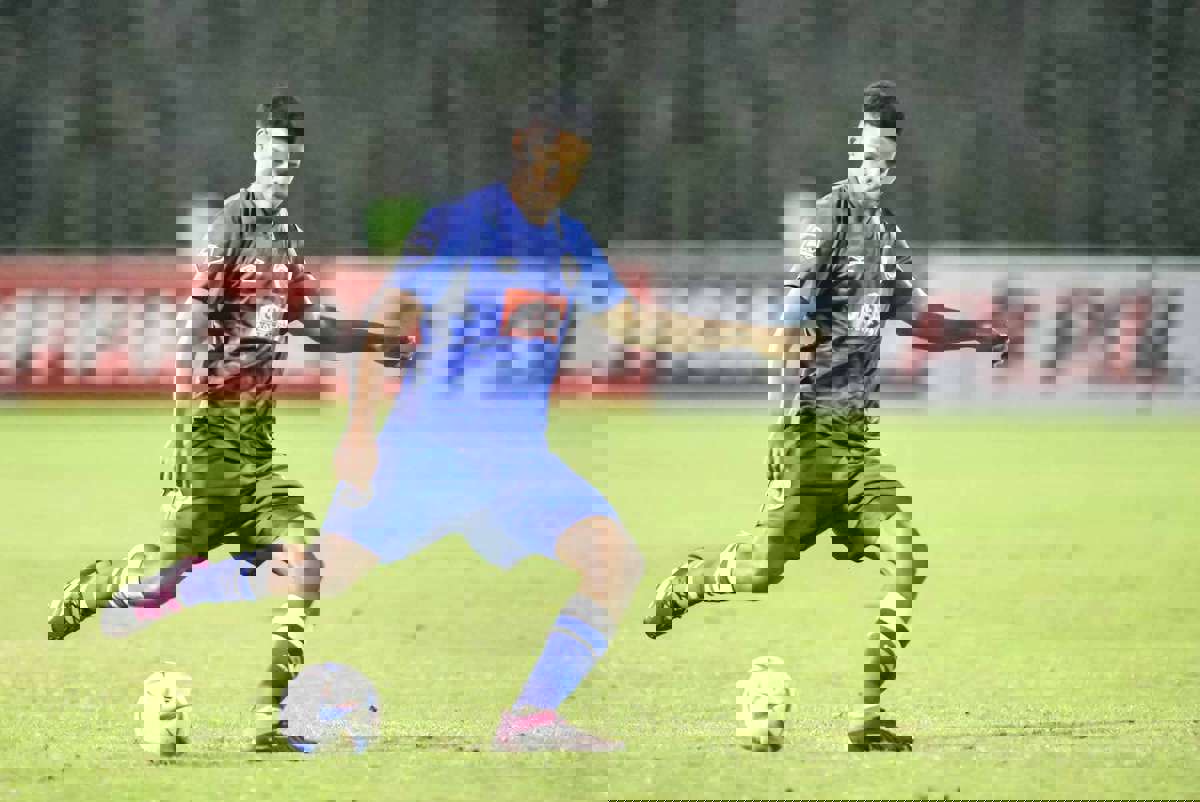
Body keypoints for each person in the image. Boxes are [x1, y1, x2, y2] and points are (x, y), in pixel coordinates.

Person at [148, 91, 778, 752]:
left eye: (569, 158)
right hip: (424, 452)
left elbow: (638, 325)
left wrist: (760, 341)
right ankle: (173, 588)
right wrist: (360, 435)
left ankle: (529, 720)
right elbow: (387, 325)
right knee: (320, 574)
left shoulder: (571, 245)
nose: (557, 168)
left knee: (614, 560)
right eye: (545, 153)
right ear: (521, 155)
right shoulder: (457, 229)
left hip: (513, 463)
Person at [642, 81, 1008, 752]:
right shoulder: (830, 217)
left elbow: (918, 318)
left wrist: (978, 334)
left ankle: (869, 715)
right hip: (808, 438)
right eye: (874, 138)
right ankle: (690, 584)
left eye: (890, 142)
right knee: (755, 574)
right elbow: (799, 292)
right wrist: (797, 334)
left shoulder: (888, 238)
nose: (882, 155)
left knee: (907, 559)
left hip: (857, 445)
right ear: (858, 146)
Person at [47, 92, 411, 752]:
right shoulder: (231, 224)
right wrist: (202, 392)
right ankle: (92, 591)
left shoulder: (287, 238)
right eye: (273, 150)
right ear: (256, 149)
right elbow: (197, 315)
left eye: (291, 154)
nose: (281, 163)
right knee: (156, 588)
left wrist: (377, 338)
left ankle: (272, 716)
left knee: (305, 561)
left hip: (257, 447)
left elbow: (313, 326)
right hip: (209, 439)